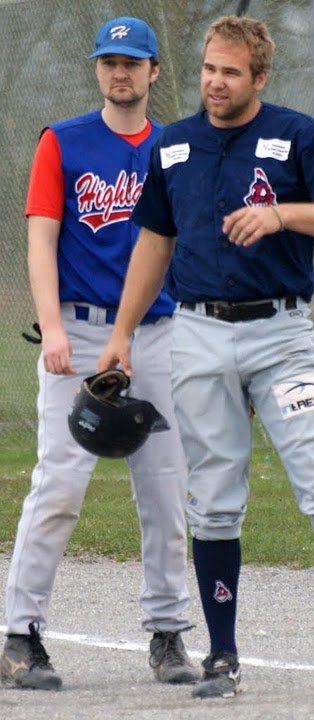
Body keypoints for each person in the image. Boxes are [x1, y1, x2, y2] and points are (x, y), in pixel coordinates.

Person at [98, 15, 314, 699]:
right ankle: (221, 657)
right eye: (208, 69)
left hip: (282, 337)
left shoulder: (296, 135)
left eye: (231, 72)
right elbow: (154, 243)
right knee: (214, 499)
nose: (215, 82)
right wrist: (122, 333)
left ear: (260, 77)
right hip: (198, 333)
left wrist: (282, 214)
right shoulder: (173, 145)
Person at [0, 17, 199, 690]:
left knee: (166, 488)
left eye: (132, 62)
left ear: (153, 72)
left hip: (158, 334)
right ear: (97, 69)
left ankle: (168, 633)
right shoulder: (62, 141)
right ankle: (20, 635)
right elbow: (40, 239)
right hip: (80, 333)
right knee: (59, 485)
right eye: (110, 61)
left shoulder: (175, 148)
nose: (120, 72)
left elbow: (189, 243)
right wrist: (53, 328)